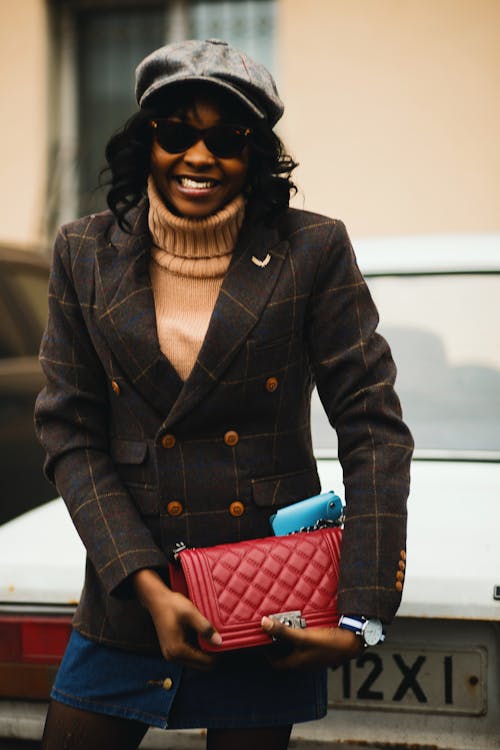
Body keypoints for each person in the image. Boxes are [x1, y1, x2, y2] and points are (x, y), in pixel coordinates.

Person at [35, 39, 413, 750]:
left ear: (257, 155)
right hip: (128, 600)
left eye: (227, 139)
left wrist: (361, 614)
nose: (199, 158)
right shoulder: (83, 253)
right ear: (147, 140)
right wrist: (147, 585)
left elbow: (372, 431)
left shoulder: (312, 250)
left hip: (267, 606)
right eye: (177, 133)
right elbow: (70, 432)